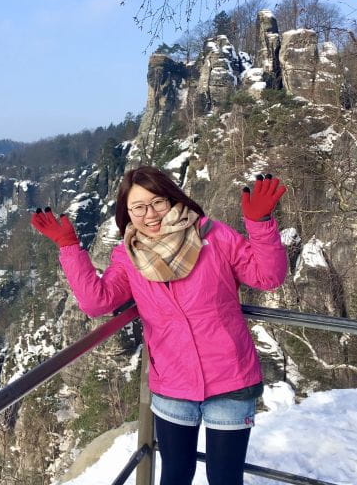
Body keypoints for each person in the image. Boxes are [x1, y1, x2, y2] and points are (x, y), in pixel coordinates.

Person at [30, 165, 288, 485]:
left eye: (157, 203)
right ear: (126, 213)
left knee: (225, 478)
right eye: (138, 207)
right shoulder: (128, 256)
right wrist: (69, 247)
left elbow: (268, 277)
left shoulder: (213, 235)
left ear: (172, 199)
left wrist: (259, 224)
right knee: (175, 476)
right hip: (172, 384)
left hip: (230, 379)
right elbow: (98, 302)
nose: (149, 214)